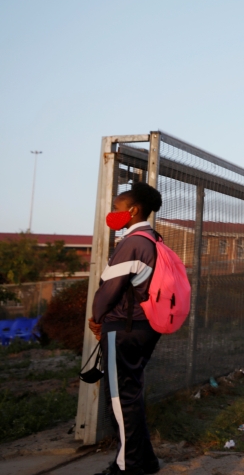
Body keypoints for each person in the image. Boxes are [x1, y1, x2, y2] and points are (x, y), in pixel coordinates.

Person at [88, 182, 163, 475]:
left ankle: (127, 468)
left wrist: (96, 317)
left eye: (117, 208)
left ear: (132, 211)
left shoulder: (132, 243)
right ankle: (145, 462)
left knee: (121, 400)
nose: (113, 213)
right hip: (145, 327)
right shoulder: (154, 239)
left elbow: (109, 290)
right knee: (131, 395)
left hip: (124, 327)